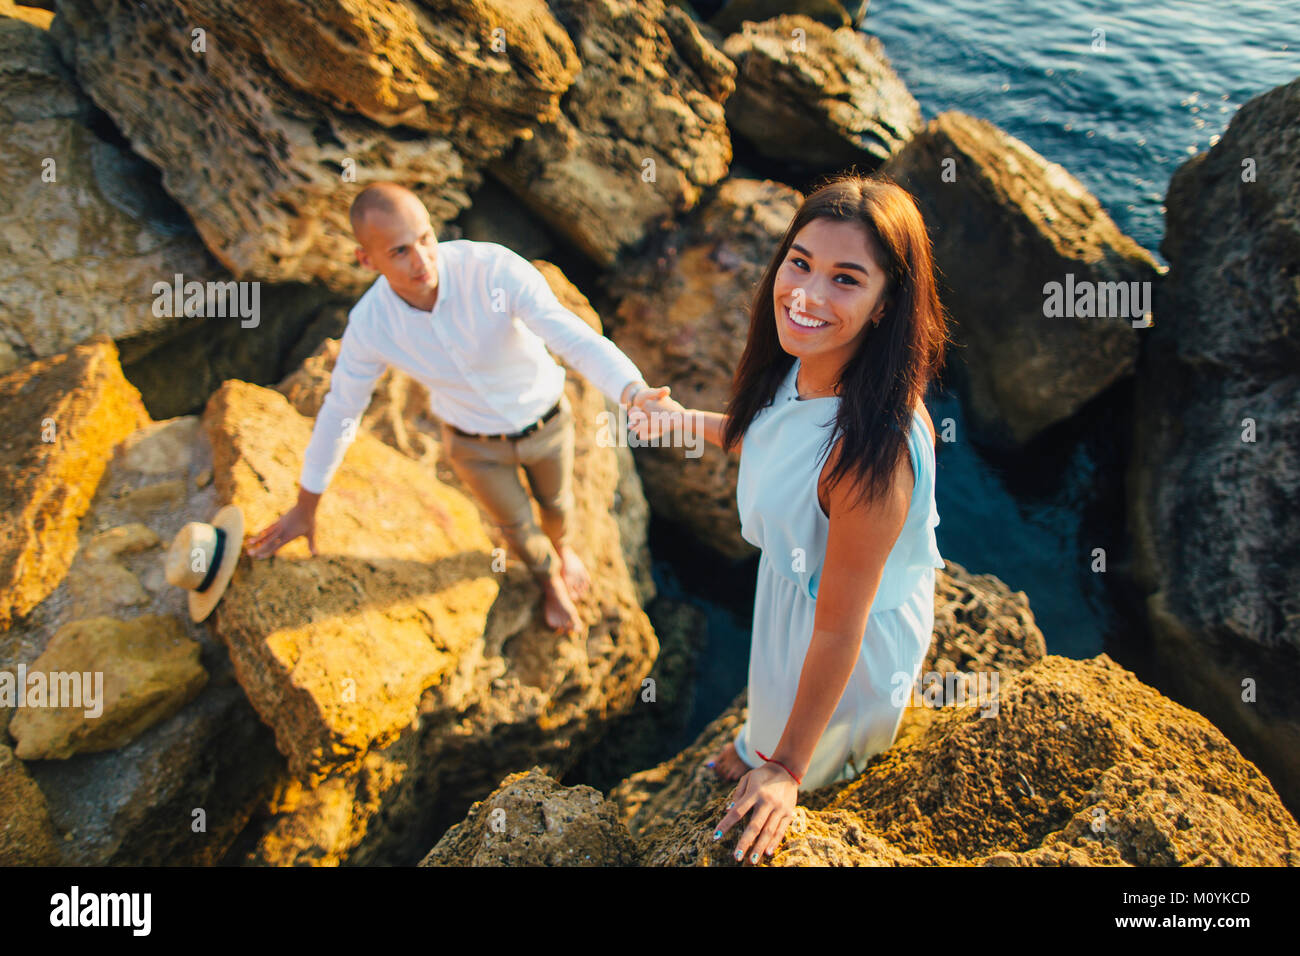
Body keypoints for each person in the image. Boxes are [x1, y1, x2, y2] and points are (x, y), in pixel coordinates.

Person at [631, 174, 950, 864]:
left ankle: (785, 753)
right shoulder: (809, 364)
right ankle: (759, 738)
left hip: (844, 643)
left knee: (798, 770)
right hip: (798, 599)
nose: (805, 294)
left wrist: (787, 769)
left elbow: (840, 626)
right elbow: (778, 439)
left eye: (845, 279)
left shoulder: (872, 456)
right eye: (799, 262)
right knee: (767, 716)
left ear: (885, 302)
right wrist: (683, 423)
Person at [246, 183, 673, 634]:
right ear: (367, 261)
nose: (423, 260)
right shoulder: (371, 325)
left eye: (426, 238)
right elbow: (341, 409)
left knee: (557, 505)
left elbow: (569, 335)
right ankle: (551, 582)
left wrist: (633, 390)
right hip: (473, 446)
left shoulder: (491, 269)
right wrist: (306, 503)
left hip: (547, 423)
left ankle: (563, 550)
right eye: (400, 251)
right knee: (516, 526)